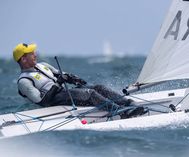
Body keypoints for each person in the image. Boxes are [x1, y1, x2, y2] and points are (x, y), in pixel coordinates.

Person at [13, 43, 145, 119]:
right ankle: (119, 111)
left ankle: (128, 103)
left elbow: (62, 75)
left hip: (63, 92)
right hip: (55, 100)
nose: (35, 54)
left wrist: (74, 79)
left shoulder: (42, 65)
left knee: (98, 88)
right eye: (31, 53)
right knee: (89, 94)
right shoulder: (24, 81)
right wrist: (58, 83)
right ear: (23, 59)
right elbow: (42, 101)